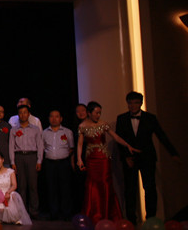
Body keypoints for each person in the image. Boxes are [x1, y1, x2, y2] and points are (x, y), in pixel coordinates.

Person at [116, 91, 180, 223]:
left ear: (141, 103)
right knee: (130, 189)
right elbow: (119, 140)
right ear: (127, 104)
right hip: (130, 158)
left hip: (147, 157)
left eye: (136, 103)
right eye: (130, 103)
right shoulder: (121, 118)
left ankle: (151, 218)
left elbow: (161, 136)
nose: (133, 105)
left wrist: (173, 153)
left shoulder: (150, 118)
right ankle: (131, 220)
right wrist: (126, 157)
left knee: (150, 188)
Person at [77, 101, 131, 223]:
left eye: (99, 113)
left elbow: (115, 137)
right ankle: (93, 214)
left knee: (105, 184)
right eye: (96, 113)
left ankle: (107, 214)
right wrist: (79, 159)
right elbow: (80, 144)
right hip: (91, 160)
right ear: (89, 113)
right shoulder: (82, 126)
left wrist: (127, 145)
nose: (98, 115)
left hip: (103, 159)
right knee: (92, 186)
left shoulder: (103, 124)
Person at [9, 104, 44, 217]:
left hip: (32, 157)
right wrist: (13, 162)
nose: (23, 115)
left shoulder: (35, 129)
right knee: (21, 186)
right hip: (19, 157)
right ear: (18, 115)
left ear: (28, 114)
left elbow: (40, 145)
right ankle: (22, 211)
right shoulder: (14, 129)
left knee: (33, 186)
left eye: (25, 112)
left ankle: (34, 211)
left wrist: (39, 161)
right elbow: (11, 146)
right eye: (20, 113)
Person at [42, 110, 74, 221]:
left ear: (61, 119)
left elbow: (71, 147)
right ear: (49, 118)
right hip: (49, 164)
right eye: (52, 116)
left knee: (65, 189)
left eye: (57, 117)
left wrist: (62, 155)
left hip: (63, 163)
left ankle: (66, 213)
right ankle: (53, 213)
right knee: (51, 189)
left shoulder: (67, 132)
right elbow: (42, 148)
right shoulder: (44, 133)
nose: (54, 119)